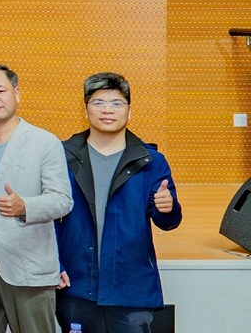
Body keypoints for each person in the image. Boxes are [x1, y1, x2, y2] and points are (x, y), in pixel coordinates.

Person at [55, 72, 183, 333]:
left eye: (116, 103)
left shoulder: (150, 160)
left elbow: (168, 222)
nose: (108, 110)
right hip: (76, 284)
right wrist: (54, 263)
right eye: (99, 103)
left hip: (131, 287)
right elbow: (48, 219)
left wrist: (168, 208)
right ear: (85, 109)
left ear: (129, 111)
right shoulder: (62, 156)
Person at [0, 65, 73, 333]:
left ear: (17, 93)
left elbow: (62, 200)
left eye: (0, 91)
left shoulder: (45, 142)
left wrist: (25, 207)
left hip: (28, 268)